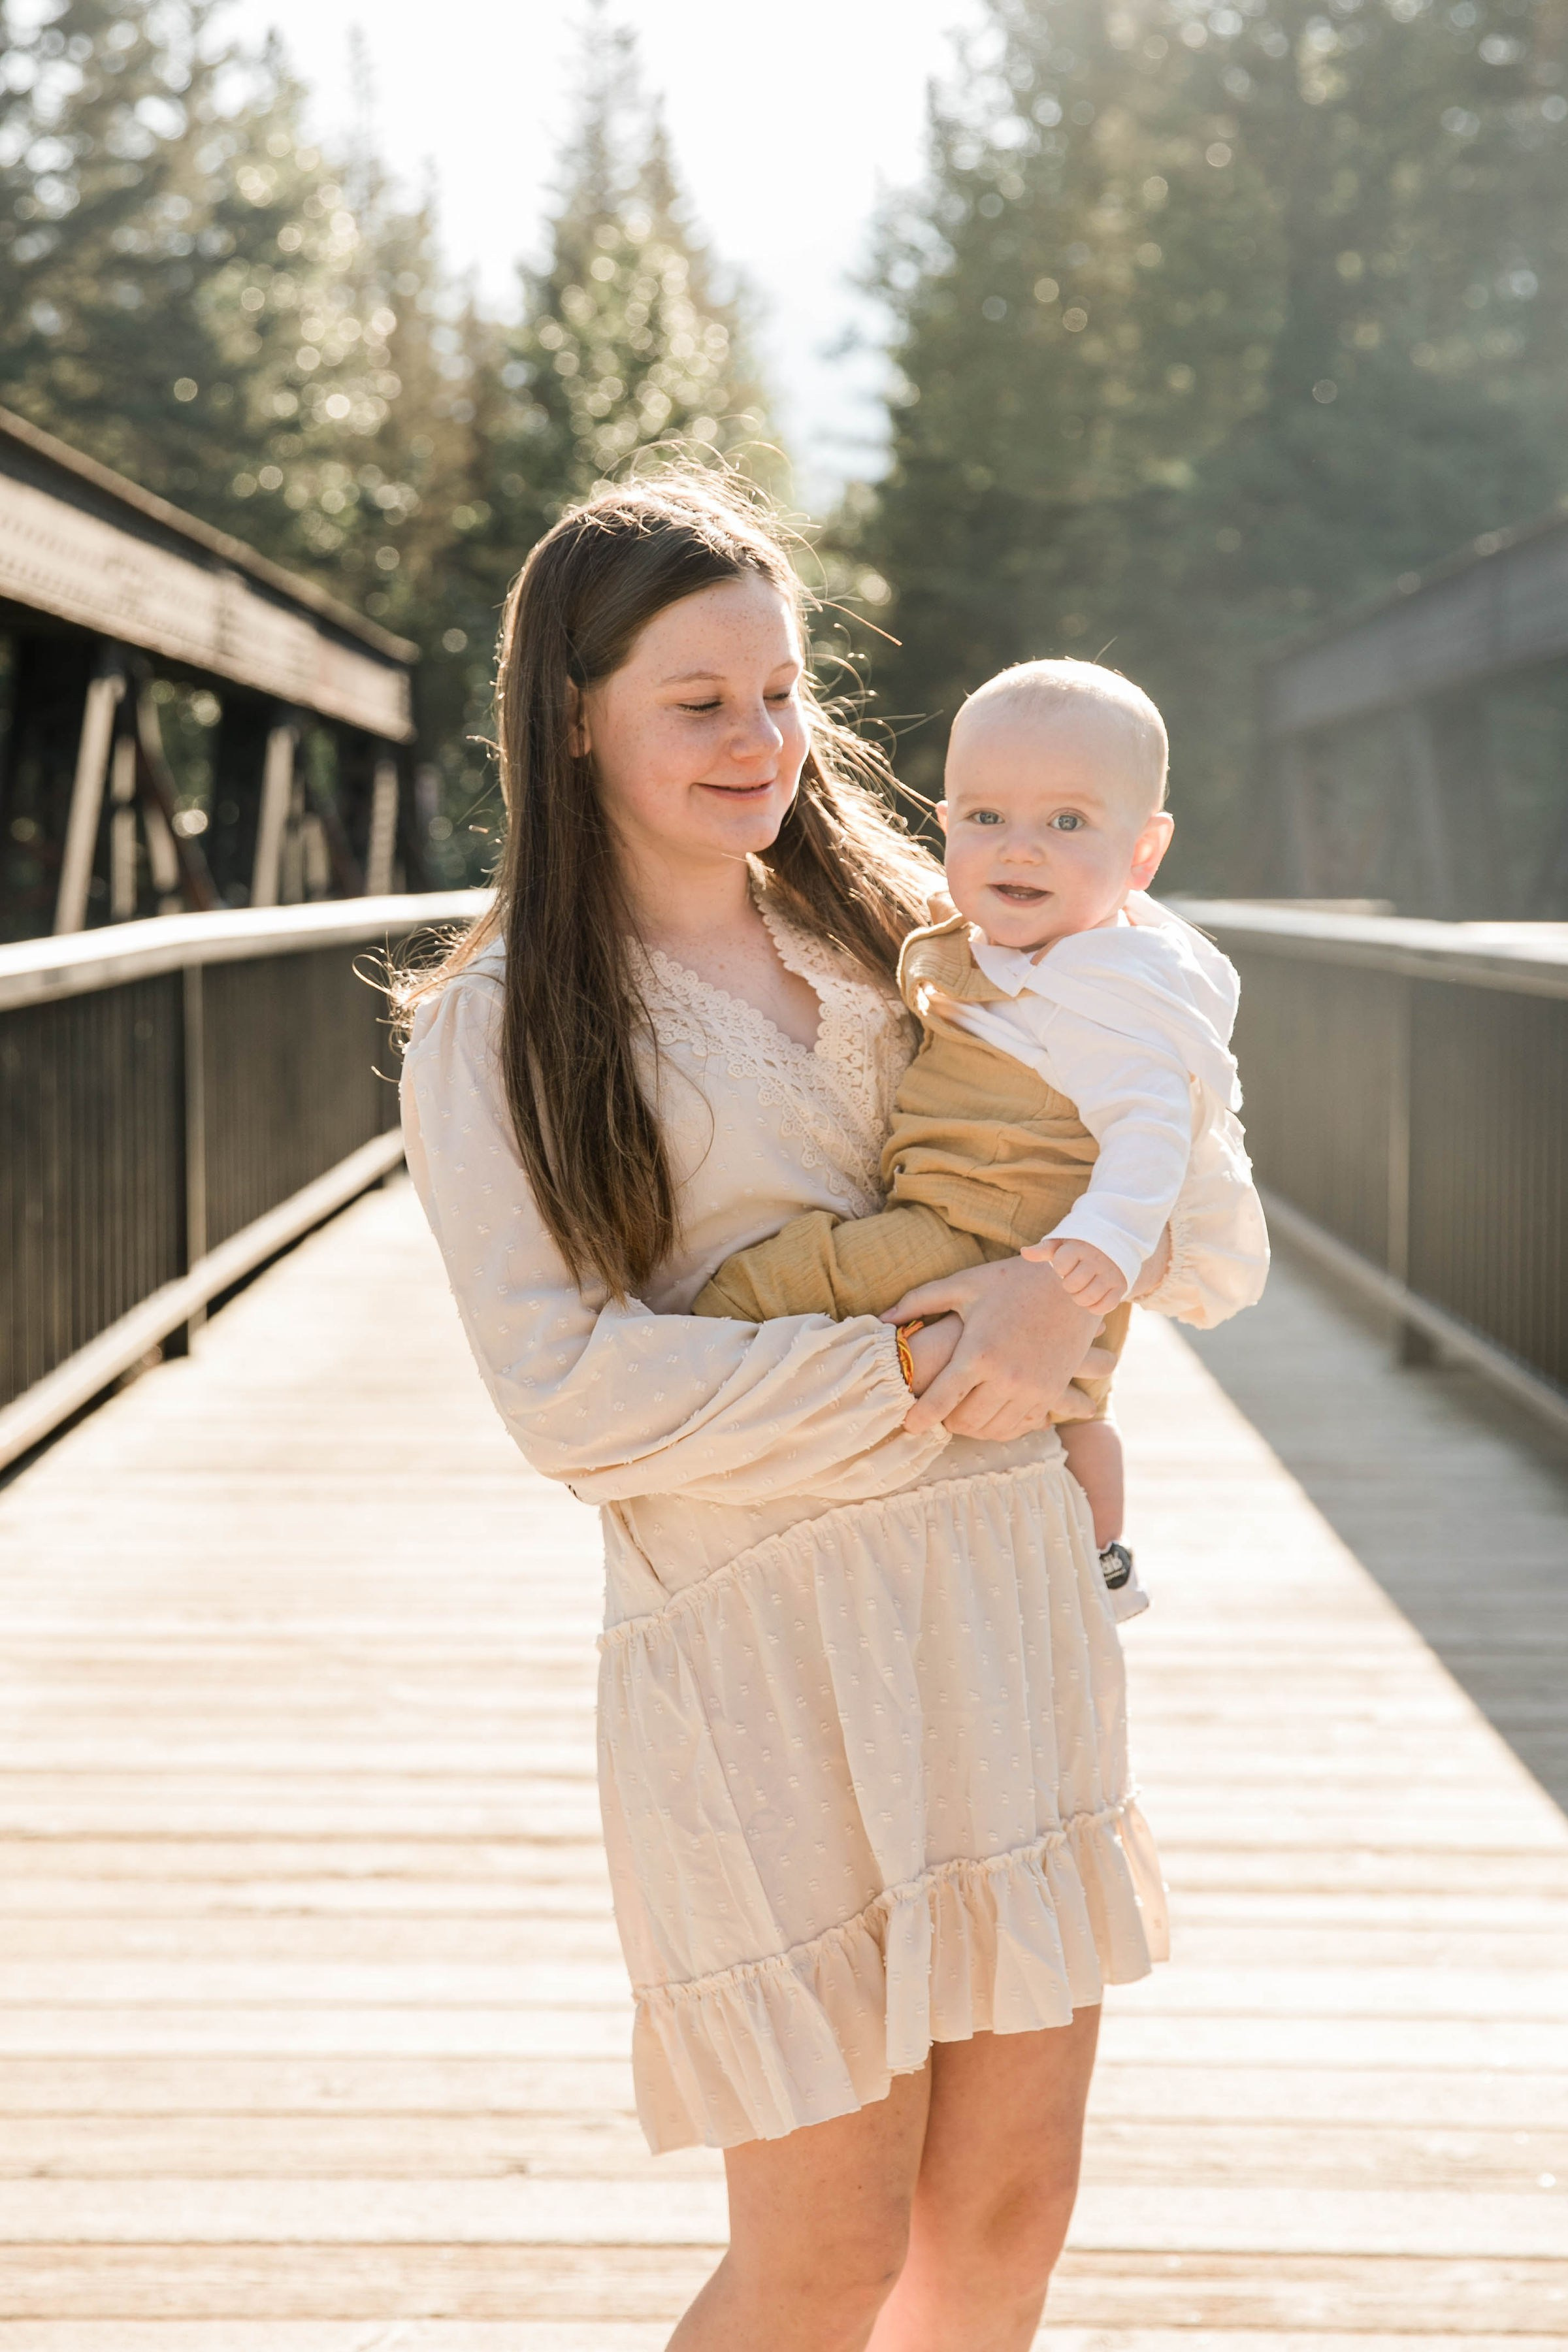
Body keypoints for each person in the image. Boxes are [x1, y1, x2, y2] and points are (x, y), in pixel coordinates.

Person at [398, 466, 1175, 2352]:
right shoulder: (499, 1028)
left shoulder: (915, 925)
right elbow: (572, 1397)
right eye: (699, 702)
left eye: (782, 690)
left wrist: (1080, 1328)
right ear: (571, 718)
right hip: (761, 1663)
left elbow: (1132, 1134)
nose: (760, 739)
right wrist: (926, 1371)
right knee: (825, 2259)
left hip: (999, 1603)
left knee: (1003, 2225)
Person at [693, 658, 1270, 1620]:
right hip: (1031, 1236)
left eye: (1068, 823)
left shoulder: (1108, 989)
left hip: (977, 1221)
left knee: (810, 1275)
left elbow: (1152, 1126)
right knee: (1078, 1406)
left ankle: (706, 1331)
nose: (1021, 849)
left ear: (1143, 852)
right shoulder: (1009, 939)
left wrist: (1103, 1246)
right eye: (986, 817)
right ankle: (1102, 1562)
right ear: (944, 821)